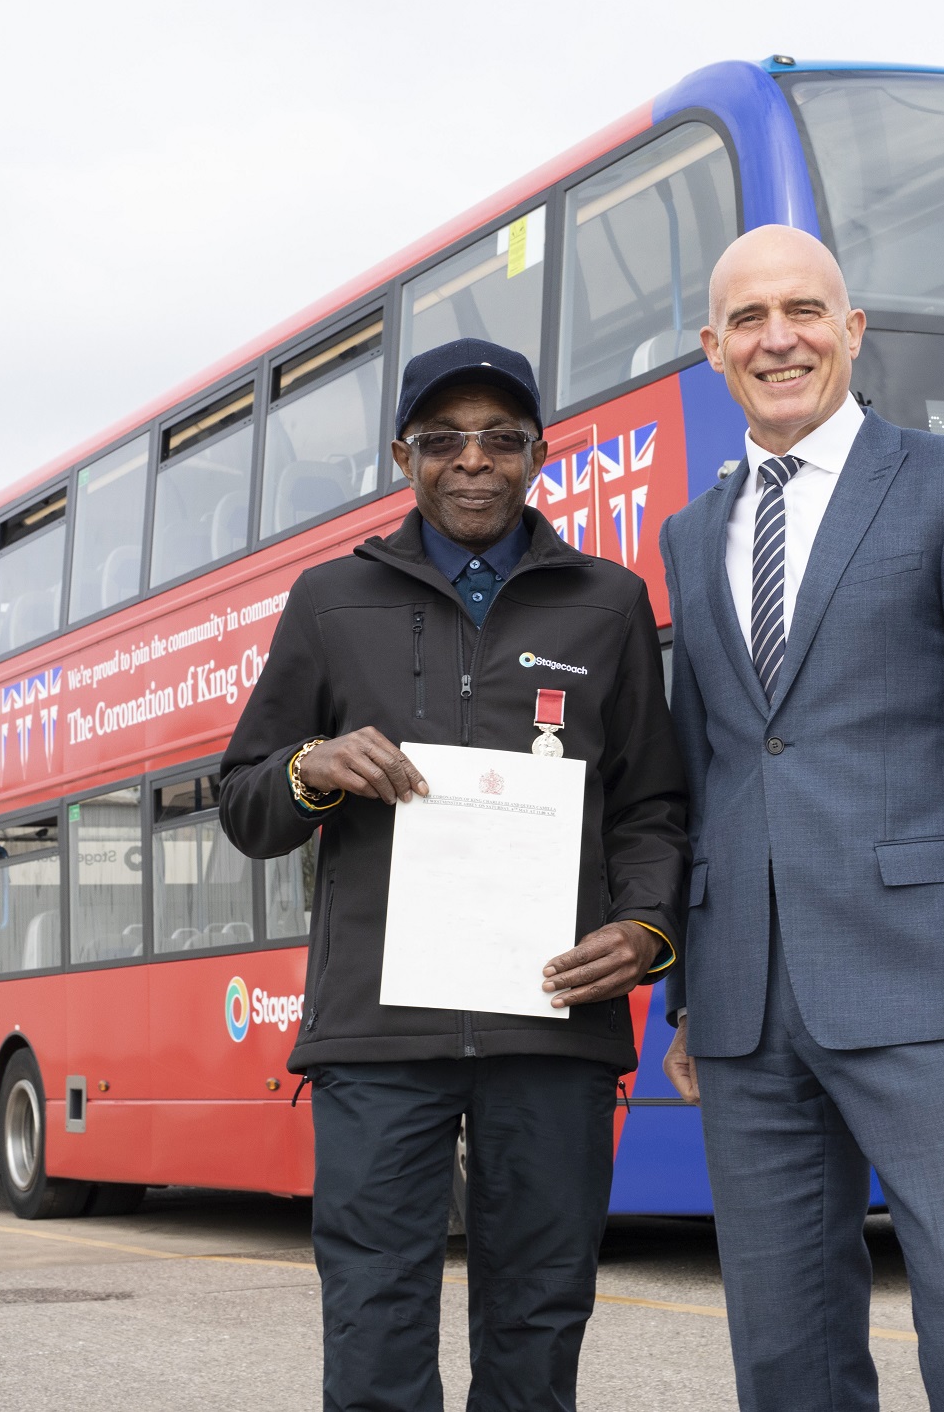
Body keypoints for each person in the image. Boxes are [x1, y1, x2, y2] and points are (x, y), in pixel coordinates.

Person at [218, 337, 687, 1412]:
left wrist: (648, 928)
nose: (471, 460)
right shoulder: (330, 602)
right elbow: (245, 804)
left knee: (539, 1321)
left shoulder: (609, 605)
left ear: (538, 454)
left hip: (552, 1026)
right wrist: (311, 766)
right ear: (403, 457)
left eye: (500, 438)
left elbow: (654, 807)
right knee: (375, 1317)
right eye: (444, 440)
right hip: (378, 1039)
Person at [656, 226, 944, 1412]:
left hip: (927, 984)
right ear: (712, 348)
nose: (777, 337)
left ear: (853, 330)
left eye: (803, 311)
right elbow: (708, 764)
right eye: (748, 319)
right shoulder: (696, 532)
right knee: (784, 1343)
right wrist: (691, 993)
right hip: (746, 1000)